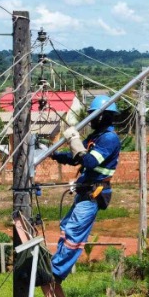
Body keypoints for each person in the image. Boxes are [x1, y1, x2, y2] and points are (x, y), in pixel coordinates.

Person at [49, 95, 121, 280]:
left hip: (93, 193)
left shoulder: (109, 139)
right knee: (66, 226)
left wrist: (74, 140)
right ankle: (56, 263)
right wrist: (53, 155)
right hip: (85, 190)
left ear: (101, 116)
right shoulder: (96, 137)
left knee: (74, 232)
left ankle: (55, 272)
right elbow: (76, 157)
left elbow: (88, 160)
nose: (89, 120)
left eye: (92, 115)